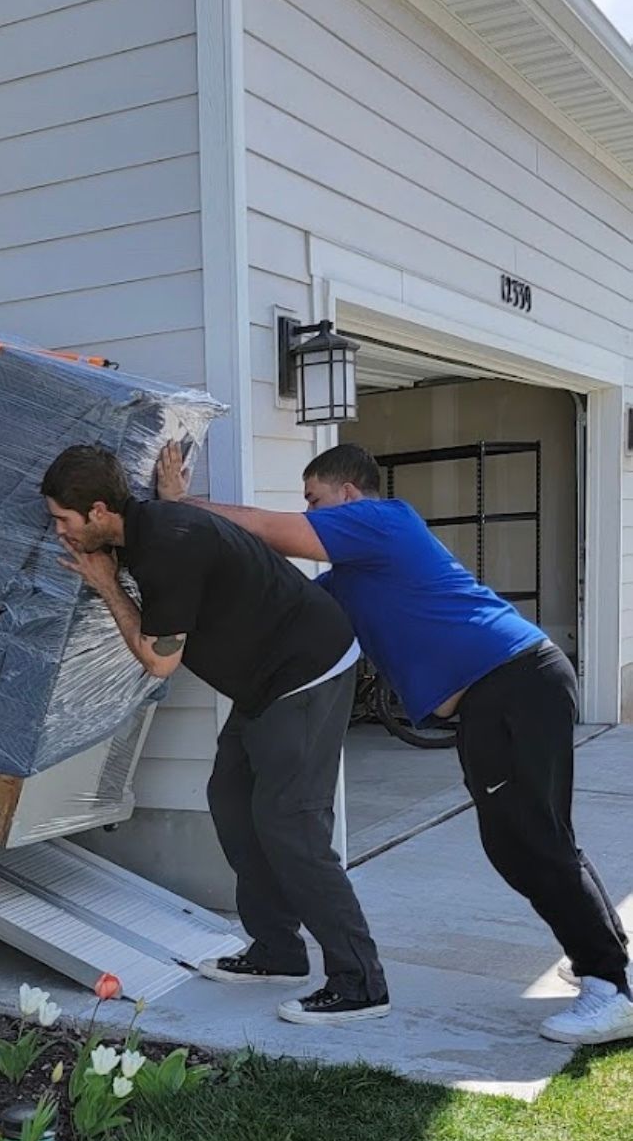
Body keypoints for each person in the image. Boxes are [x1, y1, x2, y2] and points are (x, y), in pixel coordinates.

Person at [157, 437, 630, 1046]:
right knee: (522, 839)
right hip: (499, 691)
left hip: (515, 679)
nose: (311, 513)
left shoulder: (384, 521)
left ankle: (610, 987)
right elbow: (277, 601)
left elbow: (267, 529)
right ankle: (602, 957)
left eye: (315, 500)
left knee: (532, 839)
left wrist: (178, 506)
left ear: (348, 495)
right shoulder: (351, 583)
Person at [41, 443, 390, 1025]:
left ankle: (360, 982)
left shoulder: (163, 547)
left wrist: (107, 585)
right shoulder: (151, 525)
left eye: (63, 520)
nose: (61, 533)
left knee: (292, 824)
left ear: (99, 512)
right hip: (265, 681)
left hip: (307, 669)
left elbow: (158, 661)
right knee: (230, 799)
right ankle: (277, 949)